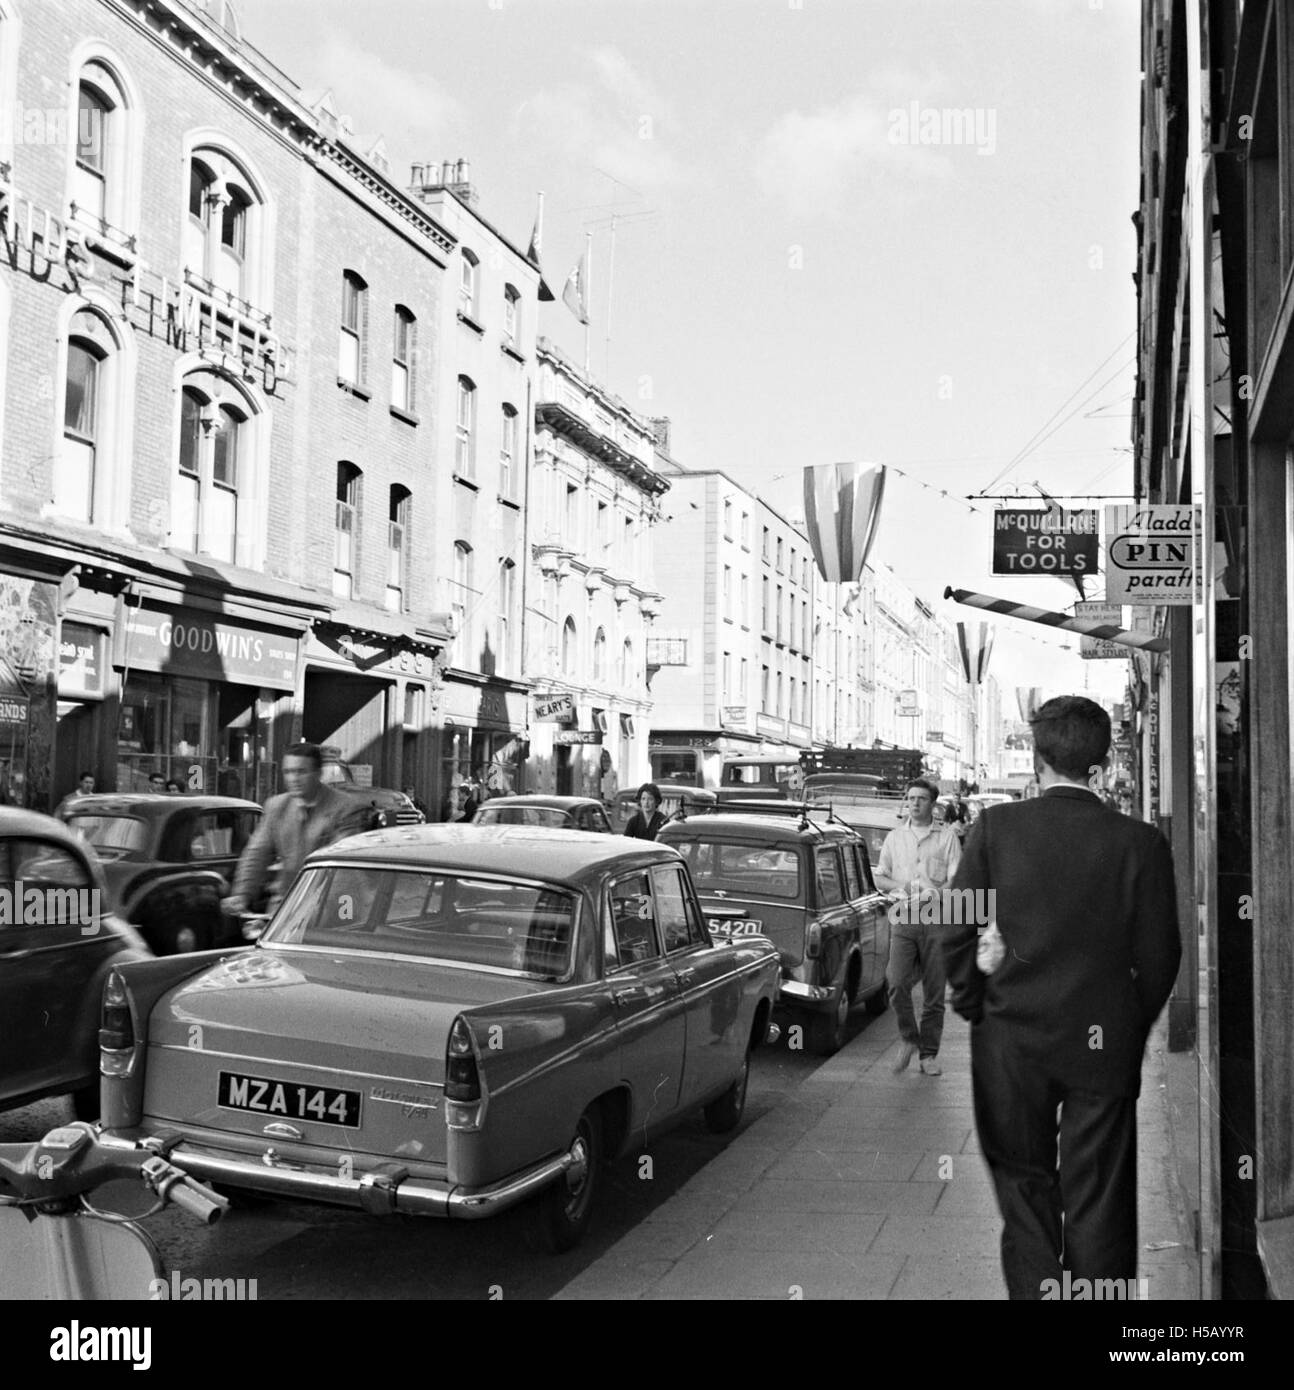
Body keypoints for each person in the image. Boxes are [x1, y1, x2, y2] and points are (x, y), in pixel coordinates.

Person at [943, 696, 1181, 1300]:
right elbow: (1160, 957)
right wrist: (1130, 1021)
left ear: (1037, 755)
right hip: (1102, 1041)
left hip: (1011, 1040)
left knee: (1023, 1185)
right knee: (1099, 1190)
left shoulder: (997, 829)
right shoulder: (1141, 842)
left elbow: (955, 925)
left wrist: (976, 1002)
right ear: (1100, 761)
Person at [874, 777, 962, 1076]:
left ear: (933, 804)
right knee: (896, 982)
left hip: (937, 919)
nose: (914, 803)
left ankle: (928, 1055)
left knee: (934, 993)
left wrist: (936, 892)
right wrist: (902, 886)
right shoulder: (895, 838)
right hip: (904, 917)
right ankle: (909, 1038)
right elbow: (880, 876)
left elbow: (957, 878)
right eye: (910, 798)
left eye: (921, 798)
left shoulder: (947, 837)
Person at [223, 742, 371, 917]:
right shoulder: (276, 807)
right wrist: (242, 894)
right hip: (288, 902)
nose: (293, 779)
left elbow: (341, 863)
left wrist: (316, 907)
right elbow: (256, 852)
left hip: (338, 902)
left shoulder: (345, 808)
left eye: (301, 772)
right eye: (288, 772)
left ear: (319, 773)